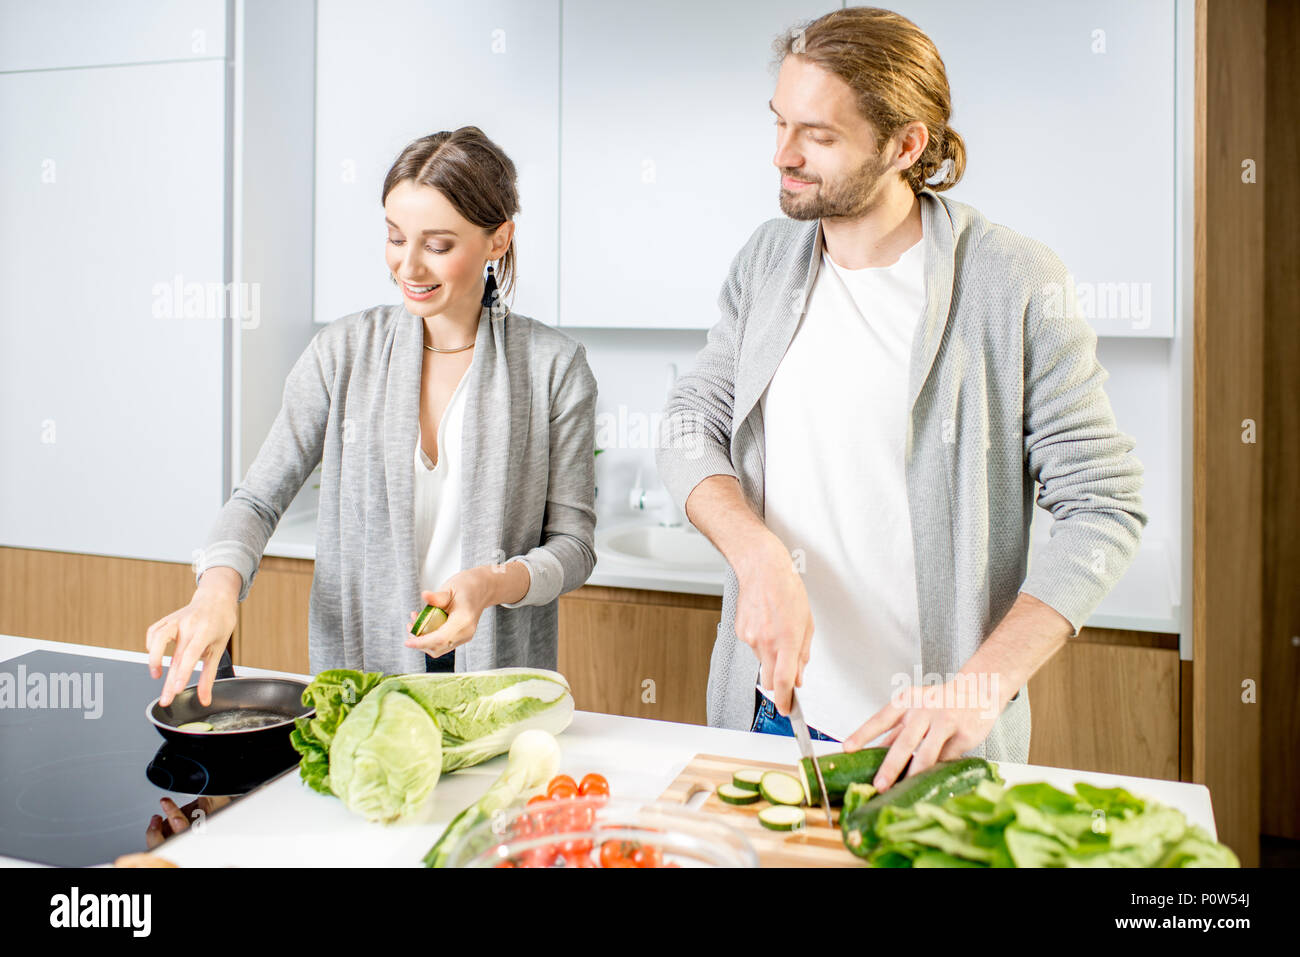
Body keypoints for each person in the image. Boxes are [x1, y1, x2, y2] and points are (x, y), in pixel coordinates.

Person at [655, 8, 1146, 793]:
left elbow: (1105, 505)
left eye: (817, 134)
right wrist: (757, 554)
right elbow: (689, 424)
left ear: (905, 144)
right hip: (770, 719)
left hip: (927, 740)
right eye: (779, 122)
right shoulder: (767, 260)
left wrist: (978, 690)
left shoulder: (1012, 281)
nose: (783, 154)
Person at [148, 127, 598, 706]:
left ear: (498, 240)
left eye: (437, 245)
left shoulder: (553, 367)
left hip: (495, 679)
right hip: (363, 677)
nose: (407, 266)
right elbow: (258, 499)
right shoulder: (343, 352)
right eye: (394, 237)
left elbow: (573, 546)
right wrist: (216, 590)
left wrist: (491, 585)